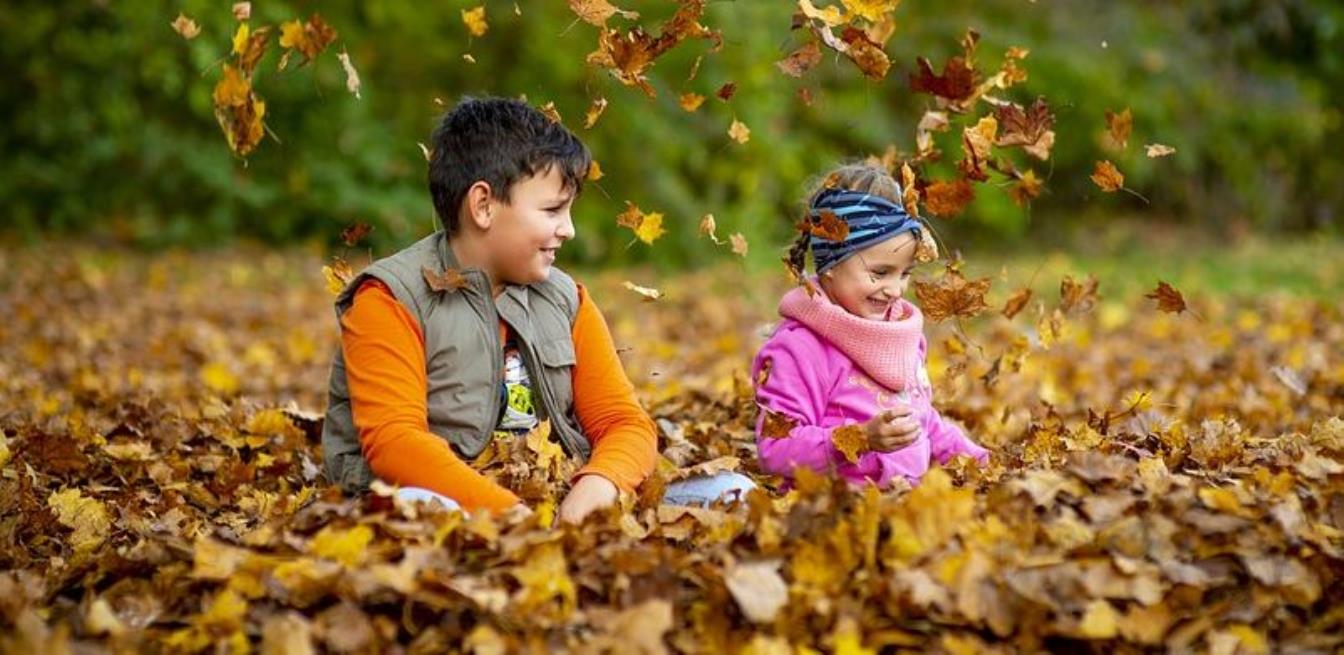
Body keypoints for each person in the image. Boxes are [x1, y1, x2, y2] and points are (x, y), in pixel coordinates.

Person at [322, 97, 754, 522]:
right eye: (552, 210)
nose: (568, 230)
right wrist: (510, 515)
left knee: (734, 490)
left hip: (561, 497)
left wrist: (600, 484)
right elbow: (396, 443)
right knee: (420, 505)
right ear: (483, 205)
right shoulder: (391, 298)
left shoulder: (565, 299)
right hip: (457, 504)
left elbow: (624, 421)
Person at [752, 164, 989, 489]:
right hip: (835, 510)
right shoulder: (801, 347)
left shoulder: (901, 333)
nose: (895, 290)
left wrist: (981, 462)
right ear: (831, 263)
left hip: (905, 504)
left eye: (904, 273)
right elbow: (775, 448)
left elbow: (922, 420)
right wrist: (859, 439)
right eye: (879, 273)